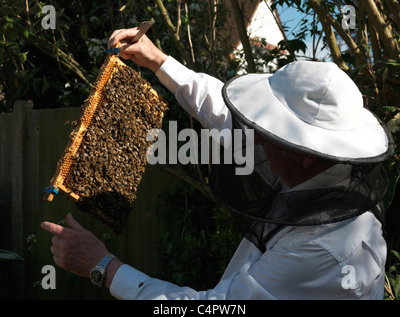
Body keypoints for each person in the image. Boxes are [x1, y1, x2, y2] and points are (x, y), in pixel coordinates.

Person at [41, 26, 394, 300]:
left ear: (303, 152)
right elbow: (224, 114)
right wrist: (158, 60)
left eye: (268, 135)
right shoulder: (321, 171)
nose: (254, 139)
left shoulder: (324, 250)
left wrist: (103, 266)